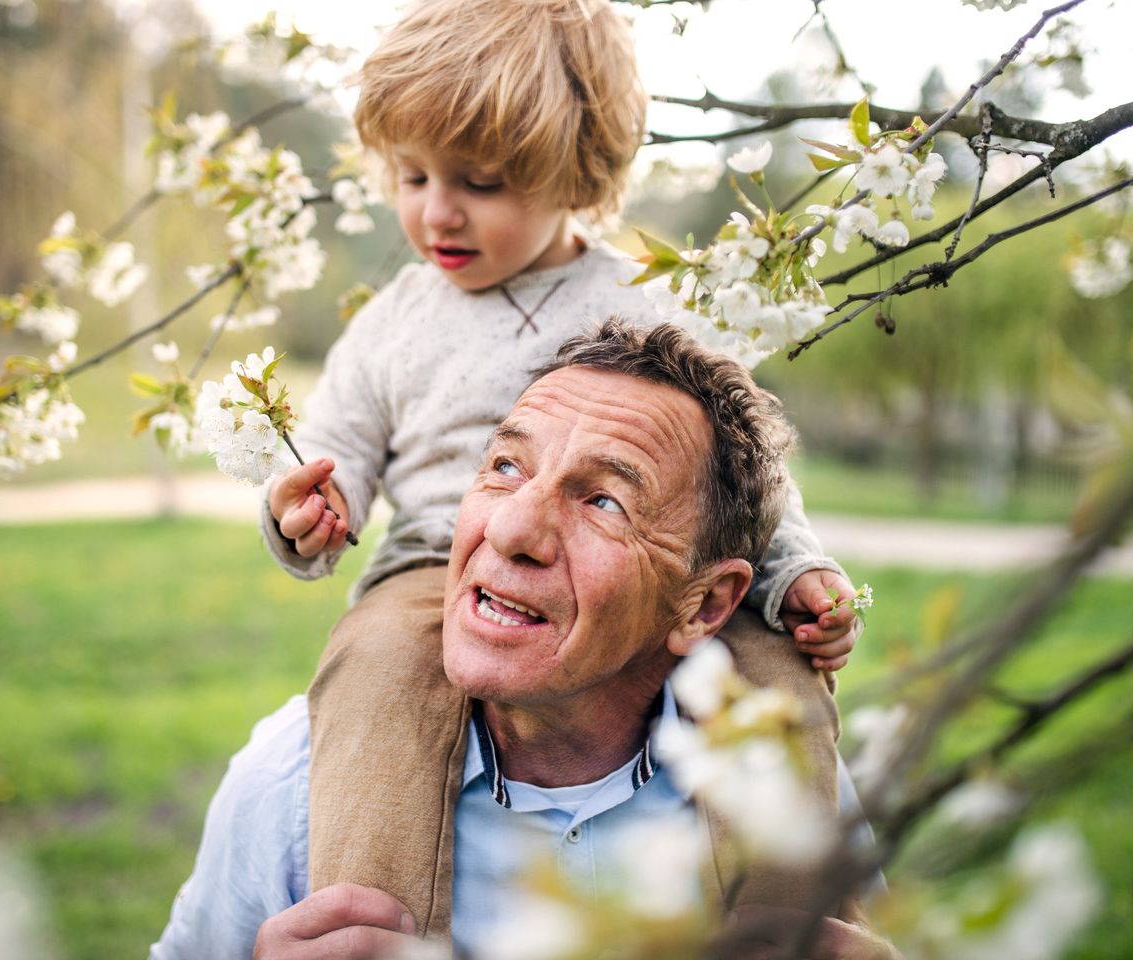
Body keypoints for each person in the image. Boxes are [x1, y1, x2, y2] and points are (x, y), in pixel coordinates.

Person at [259, 0, 861, 919]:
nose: (437, 212)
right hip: (436, 568)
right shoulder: (394, 322)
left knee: (778, 677)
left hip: (647, 572)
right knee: (375, 667)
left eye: (482, 183)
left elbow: (745, 478)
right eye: (411, 176)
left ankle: (798, 926)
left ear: (576, 173)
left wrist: (797, 574)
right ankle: (366, 922)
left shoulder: (648, 300)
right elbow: (332, 452)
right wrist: (302, 513)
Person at [155, 321, 893, 959]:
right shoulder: (294, 781)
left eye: (605, 500)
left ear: (705, 605)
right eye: (506, 466)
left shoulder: (786, 795)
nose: (509, 531)